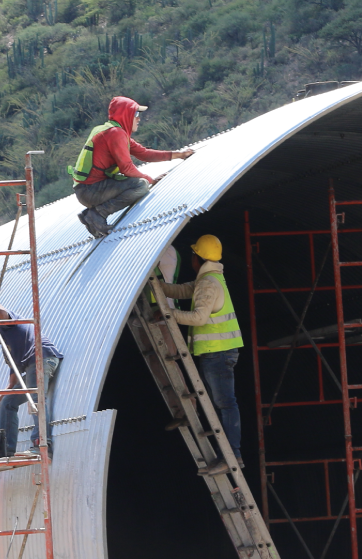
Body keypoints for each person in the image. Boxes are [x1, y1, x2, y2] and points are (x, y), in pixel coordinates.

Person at [157, 234, 245, 475]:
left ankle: (231, 456)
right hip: (219, 352)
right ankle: (230, 454)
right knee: (225, 404)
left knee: (225, 404)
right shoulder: (211, 279)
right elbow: (183, 290)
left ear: (197, 258)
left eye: (193, 255)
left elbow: (198, 318)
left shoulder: (208, 283)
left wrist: (168, 314)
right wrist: (158, 286)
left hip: (217, 353)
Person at [70, 96, 195, 239]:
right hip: (91, 190)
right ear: (125, 114)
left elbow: (144, 154)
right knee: (141, 185)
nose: (139, 118)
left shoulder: (112, 131)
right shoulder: (115, 134)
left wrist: (179, 155)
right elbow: (127, 168)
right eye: (135, 113)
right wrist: (151, 180)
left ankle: (90, 216)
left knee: (141, 182)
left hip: (87, 190)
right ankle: (98, 214)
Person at [0, 293, 64, 459]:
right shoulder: (8, 352)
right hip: (31, 367)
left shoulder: (5, 325)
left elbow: (1, 311)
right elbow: (12, 385)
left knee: (36, 398)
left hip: (41, 358)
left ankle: (42, 444)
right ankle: (6, 450)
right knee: (8, 402)